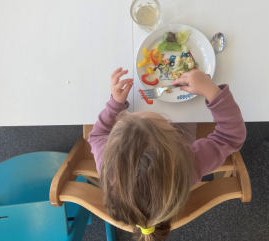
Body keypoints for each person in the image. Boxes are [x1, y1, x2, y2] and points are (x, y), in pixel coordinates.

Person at [88, 67, 246, 241]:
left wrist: (115, 105)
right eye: (162, 121)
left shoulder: (108, 164)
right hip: (185, 125)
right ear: (174, 141)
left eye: (129, 119)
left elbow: (97, 135)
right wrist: (211, 91)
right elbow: (231, 136)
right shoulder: (188, 165)